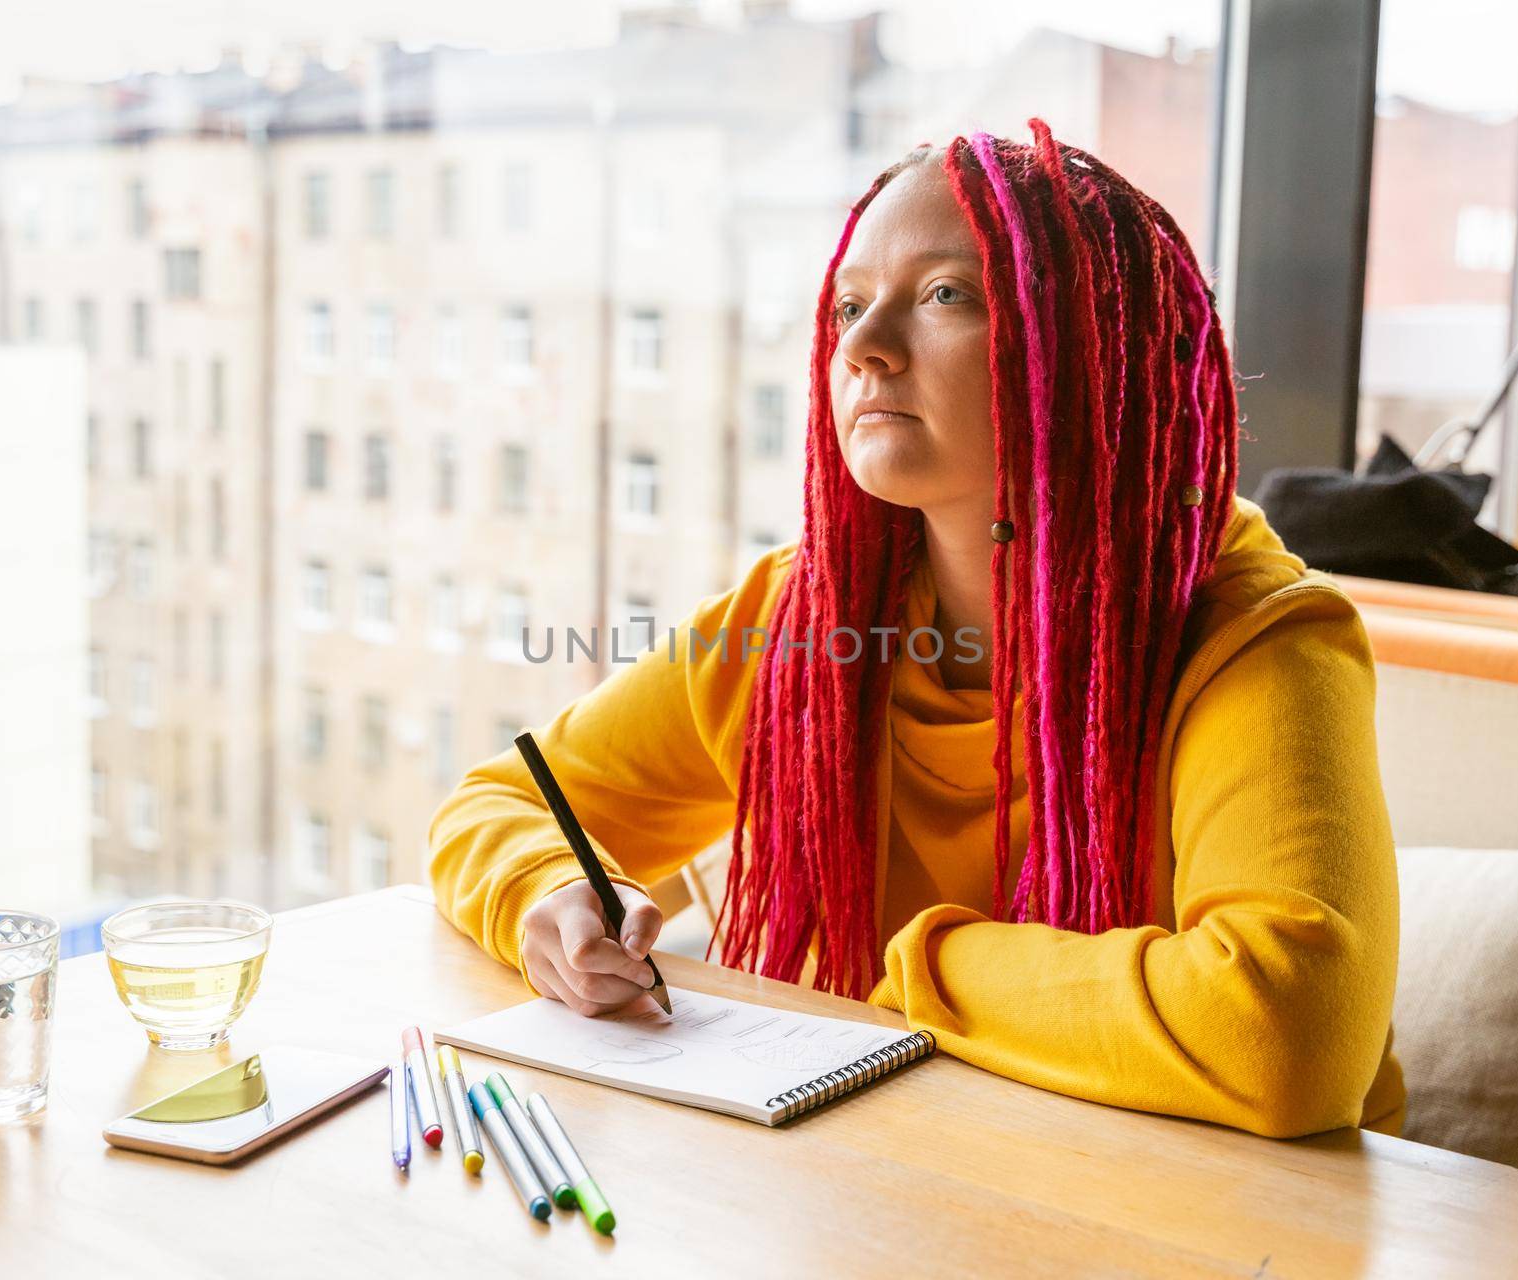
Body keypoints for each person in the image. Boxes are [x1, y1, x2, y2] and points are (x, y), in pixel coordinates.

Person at [429, 122, 1404, 1139]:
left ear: (1092, 347)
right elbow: (498, 799)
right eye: (850, 305)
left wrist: (922, 965)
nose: (860, 345)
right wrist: (549, 891)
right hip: (885, 1181)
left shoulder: (1259, 640)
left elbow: (1289, 1035)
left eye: (944, 294)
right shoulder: (801, 618)